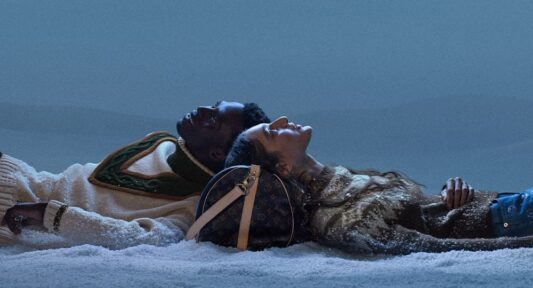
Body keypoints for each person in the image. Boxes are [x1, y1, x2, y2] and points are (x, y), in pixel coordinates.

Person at [224, 116, 533, 255]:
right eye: (272, 132)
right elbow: (434, 248)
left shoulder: (341, 183)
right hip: (505, 222)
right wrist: (524, 244)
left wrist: (449, 190)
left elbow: (420, 213)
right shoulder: (335, 219)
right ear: (283, 167)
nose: (281, 120)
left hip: (501, 208)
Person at [0, 100, 269, 249]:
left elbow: (143, 238)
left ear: (218, 154)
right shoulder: (163, 144)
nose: (202, 110)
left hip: (15, 211)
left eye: (213, 120)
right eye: (213, 105)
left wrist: (50, 214)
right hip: (19, 178)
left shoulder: (192, 204)